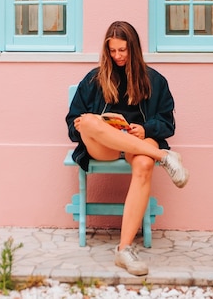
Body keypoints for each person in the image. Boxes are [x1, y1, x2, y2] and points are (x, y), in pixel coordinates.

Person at [66, 21, 189, 276]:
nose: (118, 56)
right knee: (89, 120)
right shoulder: (94, 79)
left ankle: (124, 250)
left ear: (133, 49)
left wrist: (145, 129)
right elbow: (72, 122)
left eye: (122, 50)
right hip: (105, 148)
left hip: (139, 143)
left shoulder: (155, 80)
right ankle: (163, 157)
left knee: (144, 164)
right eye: (112, 51)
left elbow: (167, 123)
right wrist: (85, 126)